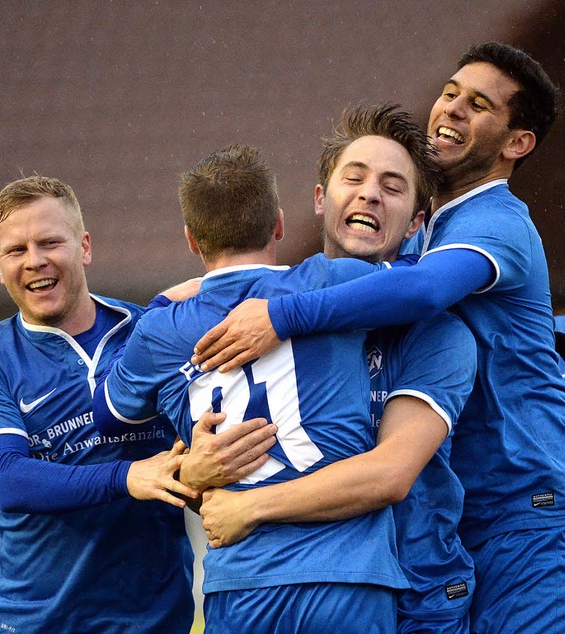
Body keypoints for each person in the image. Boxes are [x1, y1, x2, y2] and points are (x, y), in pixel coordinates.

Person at [191, 42, 565, 633]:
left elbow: (417, 294)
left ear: (517, 143)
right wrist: (201, 292)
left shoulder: (495, 223)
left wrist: (279, 317)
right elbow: (358, 279)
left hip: (525, 512)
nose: (451, 110)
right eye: (449, 93)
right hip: (456, 521)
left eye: (479, 104)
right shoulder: (426, 235)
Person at [93, 145, 416, 633]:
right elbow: (426, 284)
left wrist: (161, 305)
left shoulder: (159, 331)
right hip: (344, 576)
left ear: (191, 242)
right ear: (279, 225)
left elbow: (108, 414)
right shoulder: (334, 280)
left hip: (243, 584)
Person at [0, 175, 277, 633]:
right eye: (15, 251)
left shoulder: (153, 334)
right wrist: (129, 476)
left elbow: (205, 459)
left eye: (49, 243)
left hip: (156, 621)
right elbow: (11, 479)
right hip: (32, 622)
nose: (34, 261)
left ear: (84, 247)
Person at [199, 104, 477, 633]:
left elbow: (390, 474)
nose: (371, 193)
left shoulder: (439, 335)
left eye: (393, 187)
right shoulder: (256, 320)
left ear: (418, 223)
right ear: (321, 199)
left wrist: (252, 508)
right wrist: (194, 468)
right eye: (355, 177)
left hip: (418, 599)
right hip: (274, 593)